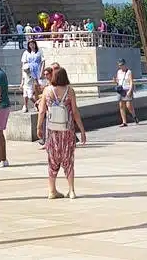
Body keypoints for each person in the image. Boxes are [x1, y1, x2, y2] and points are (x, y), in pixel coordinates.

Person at [37, 66, 86, 199]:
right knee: (68, 160)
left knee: (52, 160)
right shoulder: (70, 91)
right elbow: (75, 112)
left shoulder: (47, 91)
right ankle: (71, 190)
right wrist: (81, 130)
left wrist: (38, 127)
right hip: (67, 130)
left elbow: (41, 111)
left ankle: (52, 190)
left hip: (52, 132)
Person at [20, 38, 44, 112]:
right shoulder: (26, 53)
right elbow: (23, 64)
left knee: (37, 88)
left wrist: (41, 72)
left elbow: (43, 61)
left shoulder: (39, 51)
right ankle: (26, 105)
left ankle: (39, 103)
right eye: (30, 44)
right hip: (28, 71)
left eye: (33, 44)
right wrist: (22, 78)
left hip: (37, 70)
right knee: (26, 89)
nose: (32, 45)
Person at [113, 59, 137, 126]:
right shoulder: (118, 72)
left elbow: (131, 82)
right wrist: (115, 81)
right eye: (119, 65)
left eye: (122, 65)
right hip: (120, 90)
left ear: (124, 64)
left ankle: (134, 116)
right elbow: (118, 82)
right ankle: (124, 122)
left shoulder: (129, 72)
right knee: (121, 106)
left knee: (128, 106)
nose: (121, 66)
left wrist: (130, 90)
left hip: (127, 89)